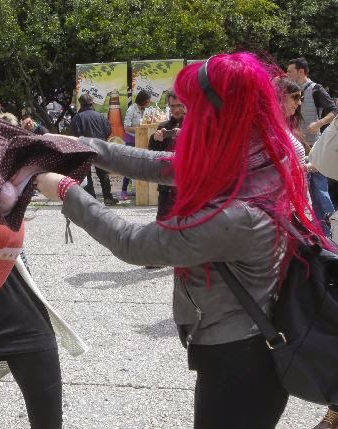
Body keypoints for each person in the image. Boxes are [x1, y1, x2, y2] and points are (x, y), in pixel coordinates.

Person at [35, 52, 328, 429]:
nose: (186, 118)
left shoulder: (236, 214)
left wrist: (66, 191)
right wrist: (82, 148)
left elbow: (134, 243)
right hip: (247, 346)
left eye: (195, 108)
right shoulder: (262, 153)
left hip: (239, 362)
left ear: (221, 114)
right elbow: (162, 164)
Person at [287, 57, 338, 236]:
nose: (288, 74)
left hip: (314, 147)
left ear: (301, 71)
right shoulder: (293, 90)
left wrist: (318, 123)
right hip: (301, 146)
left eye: (291, 71)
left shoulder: (316, 89)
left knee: (321, 193)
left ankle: (329, 230)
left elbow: (334, 110)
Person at [72, 93, 118, 206]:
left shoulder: (78, 117)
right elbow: (108, 131)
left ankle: (91, 198)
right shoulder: (100, 116)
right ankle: (108, 197)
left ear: (81, 104)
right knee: (103, 173)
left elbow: (76, 133)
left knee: (86, 174)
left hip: (84, 148)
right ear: (92, 103)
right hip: (100, 147)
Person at [148, 90, 186, 220]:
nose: (176, 109)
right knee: (163, 223)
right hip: (167, 185)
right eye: (172, 106)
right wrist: (155, 139)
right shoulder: (164, 126)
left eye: (179, 105)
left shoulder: (195, 125)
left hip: (188, 184)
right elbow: (153, 154)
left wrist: (186, 135)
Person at [121, 89, 151, 201]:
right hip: (131, 140)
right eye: (148, 101)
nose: (149, 103)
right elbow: (126, 127)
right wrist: (139, 129)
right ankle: (123, 191)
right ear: (143, 101)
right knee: (129, 166)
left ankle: (142, 191)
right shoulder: (131, 110)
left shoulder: (145, 110)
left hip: (142, 140)